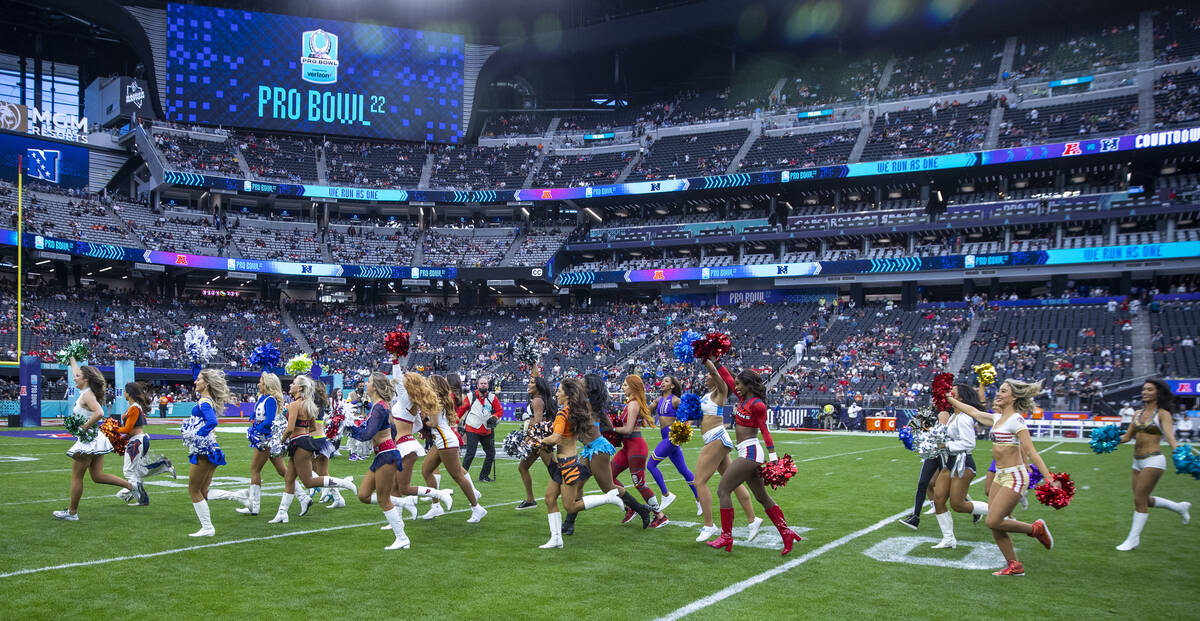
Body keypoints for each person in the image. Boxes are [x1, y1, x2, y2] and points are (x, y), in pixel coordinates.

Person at [947, 379, 1057, 576]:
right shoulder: (997, 418)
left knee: (993, 520)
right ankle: (1014, 565)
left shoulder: (1017, 420)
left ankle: (1036, 529)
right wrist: (949, 398)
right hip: (1000, 475)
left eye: (1003, 391)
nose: (998, 394)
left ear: (1014, 396)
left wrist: (1049, 479)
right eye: (999, 390)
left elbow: (1031, 452)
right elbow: (973, 412)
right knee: (996, 523)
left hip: (1015, 476)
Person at [708, 359, 801, 554]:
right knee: (762, 496)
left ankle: (726, 536)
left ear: (749, 385)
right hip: (746, 452)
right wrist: (715, 362)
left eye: (740, 384)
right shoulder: (743, 399)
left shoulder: (757, 405)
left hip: (751, 453)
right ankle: (786, 532)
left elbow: (765, 430)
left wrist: (773, 456)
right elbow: (727, 378)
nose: (737, 387)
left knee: (723, 490)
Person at [561, 374, 654, 535]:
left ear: (589, 388)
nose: (580, 385)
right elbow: (609, 425)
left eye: (583, 383)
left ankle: (642, 510)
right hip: (589, 449)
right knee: (578, 484)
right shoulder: (590, 405)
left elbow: (607, 426)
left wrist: (595, 431)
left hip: (599, 450)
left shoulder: (589, 405)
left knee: (609, 488)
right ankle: (569, 523)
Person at [537, 378, 624, 549]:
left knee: (570, 506)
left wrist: (536, 441)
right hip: (565, 462)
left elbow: (555, 438)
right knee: (549, 498)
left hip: (567, 464)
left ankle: (608, 498)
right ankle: (556, 539)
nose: (556, 394)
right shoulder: (573, 411)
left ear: (567, 395)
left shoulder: (564, 413)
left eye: (559, 391)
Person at [54, 357, 140, 521]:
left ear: (86, 380)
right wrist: (71, 358)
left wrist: (83, 427)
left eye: (78, 377)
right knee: (97, 476)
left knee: (77, 476)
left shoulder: (87, 395)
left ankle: (72, 512)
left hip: (89, 439)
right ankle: (131, 486)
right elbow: (76, 372)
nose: (75, 378)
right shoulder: (86, 392)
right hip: (96, 438)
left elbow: (99, 413)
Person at [1113, 379, 1191, 550]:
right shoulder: (1137, 413)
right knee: (1143, 500)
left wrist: (1180, 454)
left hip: (1154, 460)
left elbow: (1170, 437)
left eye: (1149, 389)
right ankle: (1179, 507)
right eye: (1143, 389)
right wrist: (1108, 440)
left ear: (1158, 393)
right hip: (1137, 461)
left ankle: (1133, 539)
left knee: (1139, 499)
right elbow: (1126, 437)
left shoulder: (1163, 414)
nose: (1144, 392)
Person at [267, 375, 356, 524]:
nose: (290, 386)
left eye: (293, 384)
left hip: (298, 443)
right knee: (289, 479)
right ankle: (282, 513)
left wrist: (280, 441)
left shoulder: (295, 405)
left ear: (300, 388)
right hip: (304, 441)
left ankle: (342, 483)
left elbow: (289, 429)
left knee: (308, 481)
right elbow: (313, 427)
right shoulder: (309, 404)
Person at [692, 359, 762, 544]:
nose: (706, 375)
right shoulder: (708, 394)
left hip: (717, 438)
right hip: (714, 439)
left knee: (699, 481)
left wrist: (707, 358)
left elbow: (715, 373)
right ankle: (753, 519)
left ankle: (709, 525)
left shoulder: (721, 390)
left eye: (708, 374)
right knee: (734, 482)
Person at [349, 372, 410, 550]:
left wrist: (349, 428)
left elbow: (367, 435)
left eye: (368, 382)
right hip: (383, 454)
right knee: (363, 495)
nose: (365, 385)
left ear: (374, 387)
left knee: (383, 500)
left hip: (386, 455)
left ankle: (402, 537)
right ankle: (403, 503)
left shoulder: (379, 408)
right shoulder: (380, 405)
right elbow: (390, 430)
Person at [929, 384, 990, 549]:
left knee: (958, 505)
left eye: (952, 393)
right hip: (950, 463)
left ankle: (995, 511)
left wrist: (945, 446)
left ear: (960, 398)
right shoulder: (953, 417)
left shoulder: (964, 417)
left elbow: (969, 443)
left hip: (963, 463)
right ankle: (948, 538)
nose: (948, 395)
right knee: (938, 499)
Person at [182, 369, 237, 536]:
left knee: (194, 489)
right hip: (211, 449)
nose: (195, 382)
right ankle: (239, 497)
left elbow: (212, 422)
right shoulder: (207, 400)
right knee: (203, 491)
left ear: (206, 383)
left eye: (198, 380)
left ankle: (207, 528)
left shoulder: (204, 402)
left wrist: (197, 434)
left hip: (204, 450)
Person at [611, 375, 669, 528]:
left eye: (625, 385)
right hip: (628, 447)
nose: (622, 387)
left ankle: (660, 516)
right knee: (608, 476)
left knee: (639, 484)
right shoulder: (630, 403)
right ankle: (631, 507)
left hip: (636, 447)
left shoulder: (633, 404)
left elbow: (628, 429)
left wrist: (610, 428)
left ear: (632, 387)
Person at [115, 381, 175, 506]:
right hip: (137, 440)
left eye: (125, 391)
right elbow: (129, 430)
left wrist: (112, 429)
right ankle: (162, 466)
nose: (124, 393)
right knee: (136, 471)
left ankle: (139, 495)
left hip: (137, 441)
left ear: (129, 393)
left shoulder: (134, 408)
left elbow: (127, 428)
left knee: (129, 471)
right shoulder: (134, 407)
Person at [236, 372, 287, 516]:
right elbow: (259, 415)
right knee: (283, 471)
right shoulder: (262, 398)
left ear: (267, 385)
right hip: (263, 438)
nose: (258, 384)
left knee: (255, 469)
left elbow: (269, 421)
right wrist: (252, 419)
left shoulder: (270, 399)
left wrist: (256, 429)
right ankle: (303, 497)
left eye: (261, 382)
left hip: (266, 439)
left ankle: (254, 506)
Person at [647, 376, 699, 515]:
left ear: (672, 386)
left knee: (651, 465)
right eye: (662, 381)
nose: (662, 383)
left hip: (671, 437)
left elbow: (690, 416)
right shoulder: (659, 400)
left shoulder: (676, 400)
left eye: (666, 381)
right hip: (665, 437)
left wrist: (682, 431)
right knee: (684, 470)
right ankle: (700, 499)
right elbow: (647, 410)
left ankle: (666, 495)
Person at [516, 375, 556, 510]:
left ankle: (573, 494)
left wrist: (526, 440)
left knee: (555, 471)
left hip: (540, 440)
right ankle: (530, 500)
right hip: (537, 439)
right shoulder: (538, 399)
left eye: (532, 383)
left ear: (538, 387)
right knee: (522, 467)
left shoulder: (537, 400)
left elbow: (537, 423)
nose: (528, 384)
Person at [458, 376, 502, 482]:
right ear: (477, 385)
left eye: (485, 383)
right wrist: (454, 422)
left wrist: (494, 417)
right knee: (470, 453)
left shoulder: (492, 397)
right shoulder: (470, 396)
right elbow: (461, 411)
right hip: (472, 428)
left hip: (487, 429)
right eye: (481, 383)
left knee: (491, 453)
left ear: (488, 385)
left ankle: (484, 476)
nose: (483, 385)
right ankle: (461, 476)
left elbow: (499, 411)